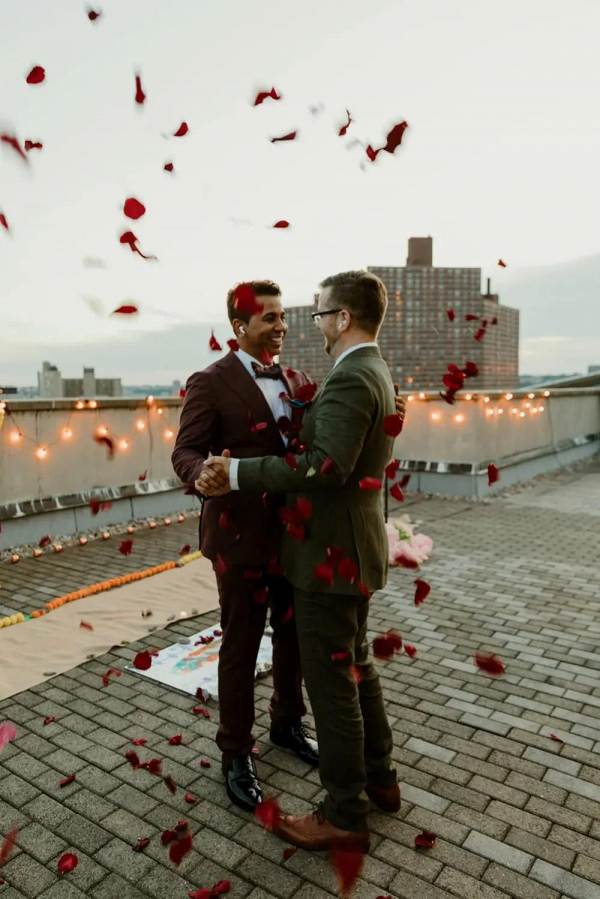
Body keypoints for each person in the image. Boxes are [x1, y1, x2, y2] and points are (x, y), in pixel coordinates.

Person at [198, 270, 402, 853]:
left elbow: (320, 466)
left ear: (341, 319)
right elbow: (189, 451)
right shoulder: (369, 372)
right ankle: (380, 779)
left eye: (311, 314)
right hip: (306, 547)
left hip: (324, 552)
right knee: (355, 664)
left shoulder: (341, 377)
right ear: (241, 326)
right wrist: (205, 473)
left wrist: (234, 471)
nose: (297, 324)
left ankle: (344, 811)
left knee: (334, 684)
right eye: (277, 316)